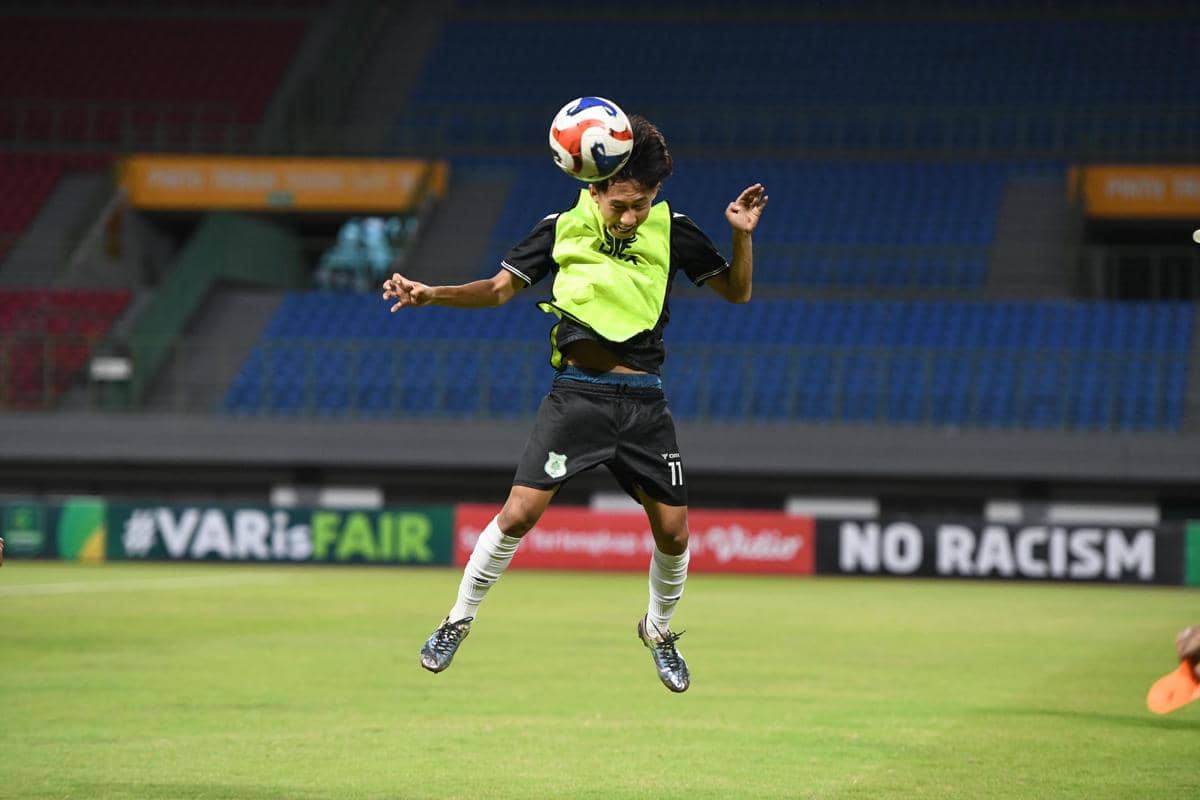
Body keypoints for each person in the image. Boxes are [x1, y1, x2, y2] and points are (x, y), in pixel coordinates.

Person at [382, 115, 767, 693]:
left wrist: (741, 233)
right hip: (577, 398)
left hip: (643, 402)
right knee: (518, 515)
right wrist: (431, 293)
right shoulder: (560, 228)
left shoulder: (675, 230)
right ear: (595, 185)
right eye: (621, 205)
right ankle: (456, 621)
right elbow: (496, 289)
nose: (631, 217)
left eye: (642, 204)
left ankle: (658, 632)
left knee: (676, 534)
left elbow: (737, 292)